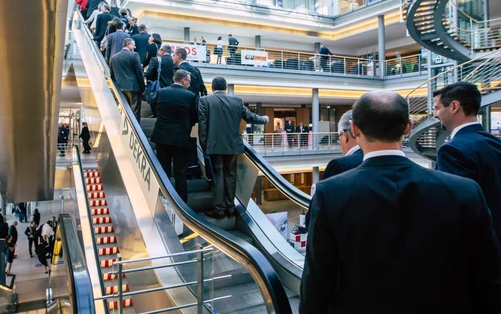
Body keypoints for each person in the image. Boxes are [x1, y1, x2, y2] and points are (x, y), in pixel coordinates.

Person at [300, 90, 501, 313]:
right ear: (408, 126)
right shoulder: (465, 190)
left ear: (355, 129)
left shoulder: (329, 194)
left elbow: (317, 281)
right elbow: (488, 276)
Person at [434, 82, 501, 242]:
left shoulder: (452, 150)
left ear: (454, 106)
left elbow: (455, 208)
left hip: (479, 247)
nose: (436, 115)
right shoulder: (496, 143)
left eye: (437, 108)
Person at [199, 77, 269, 219]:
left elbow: (203, 125)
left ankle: (219, 209)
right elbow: (250, 117)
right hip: (233, 146)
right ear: (225, 88)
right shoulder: (237, 101)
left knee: (218, 176)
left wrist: (204, 145)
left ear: (212, 88)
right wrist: (264, 119)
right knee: (231, 176)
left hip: (214, 146)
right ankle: (230, 208)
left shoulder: (204, 101)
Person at [151, 70, 198, 202]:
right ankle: (181, 201)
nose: (189, 84)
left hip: (162, 136)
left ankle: (163, 197)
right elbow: (194, 116)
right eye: (188, 81)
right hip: (180, 137)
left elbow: (156, 109)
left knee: (163, 169)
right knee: (180, 170)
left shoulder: (161, 92)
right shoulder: (190, 96)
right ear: (183, 80)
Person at [110, 38, 146, 122]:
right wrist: (143, 88)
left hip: (120, 88)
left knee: (124, 110)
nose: (134, 47)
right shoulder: (134, 55)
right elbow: (139, 73)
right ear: (128, 44)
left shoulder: (114, 57)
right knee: (135, 111)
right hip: (133, 87)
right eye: (133, 45)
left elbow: (112, 75)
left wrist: (117, 87)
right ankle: (136, 133)